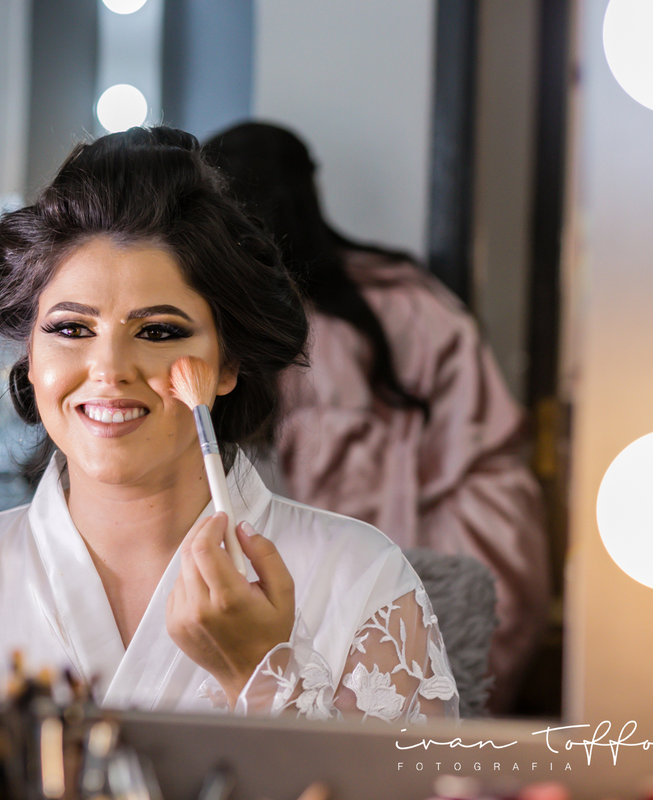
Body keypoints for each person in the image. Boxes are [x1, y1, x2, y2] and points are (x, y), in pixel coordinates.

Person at [0, 127, 459, 723]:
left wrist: (261, 675)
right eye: (71, 329)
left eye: (158, 331)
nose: (109, 369)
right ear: (30, 355)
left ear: (227, 363)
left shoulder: (360, 581)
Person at [203, 121, 550, 713]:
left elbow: (349, 506)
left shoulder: (324, 331)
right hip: (499, 532)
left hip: (436, 543)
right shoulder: (407, 292)